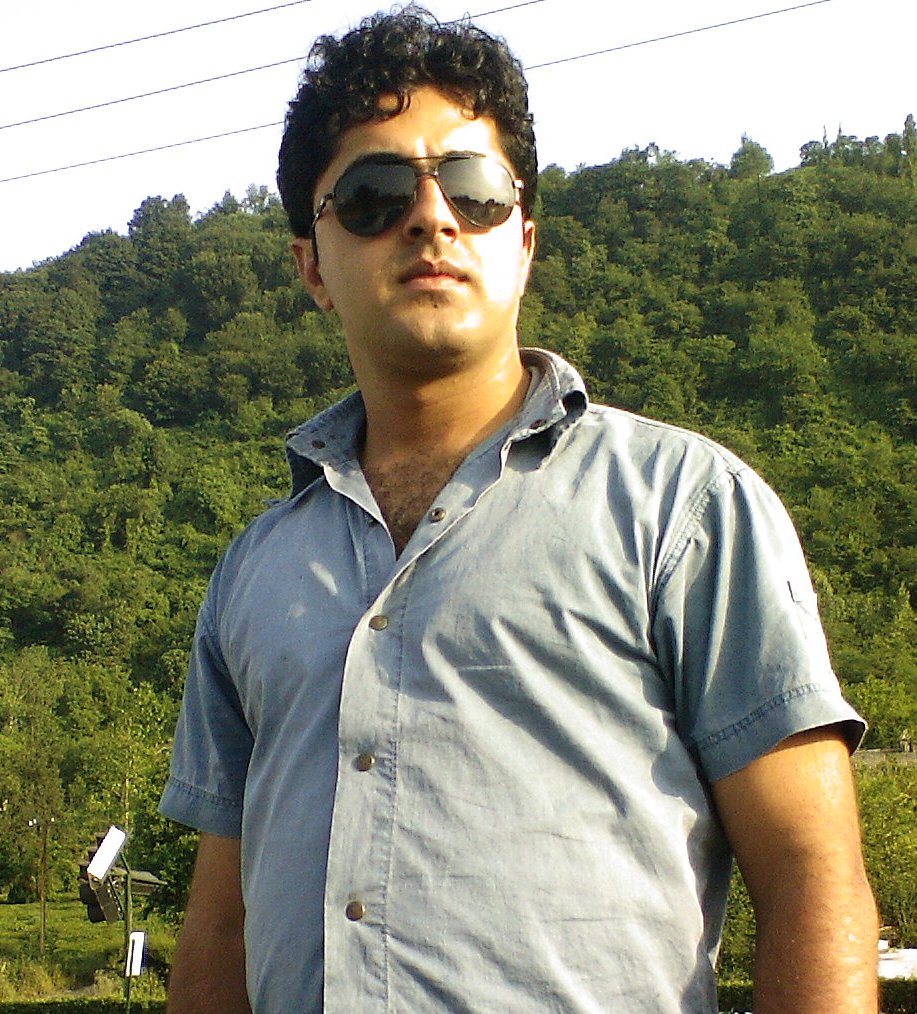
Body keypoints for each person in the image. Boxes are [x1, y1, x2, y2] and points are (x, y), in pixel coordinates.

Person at [159, 7, 878, 1012]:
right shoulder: (253, 572)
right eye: (372, 195)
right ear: (311, 265)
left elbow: (810, 879)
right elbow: (220, 926)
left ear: (523, 239)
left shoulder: (683, 509)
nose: (432, 218)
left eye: (473, 188)